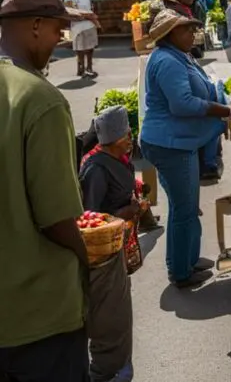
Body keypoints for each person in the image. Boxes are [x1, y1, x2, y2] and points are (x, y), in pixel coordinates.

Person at [0, 0, 90, 381]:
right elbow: (56, 218)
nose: (61, 41)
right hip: (38, 313)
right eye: (58, 30)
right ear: (35, 25)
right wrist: (89, 262)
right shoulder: (41, 100)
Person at [139, 10, 230, 288]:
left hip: (178, 142)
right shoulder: (168, 60)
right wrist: (223, 109)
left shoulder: (179, 55)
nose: (193, 34)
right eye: (186, 30)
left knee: (187, 206)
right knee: (183, 208)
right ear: (169, 35)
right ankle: (180, 271)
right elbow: (183, 104)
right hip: (170, 143)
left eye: (193, 29)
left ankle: (188, 259)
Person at [78, 106, 140, 382]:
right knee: (110, 320)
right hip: (102, 259)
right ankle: (108, 372)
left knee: (120, 314)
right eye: (127, 133)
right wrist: (124, 214)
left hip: (118, 249)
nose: (131, 137)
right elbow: (89, 219)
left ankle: (118, 365)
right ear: (115, 138)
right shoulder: (96, 170)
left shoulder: (120, 159)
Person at [66, 0, 100, 78]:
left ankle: (89, 68)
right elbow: (73, 13)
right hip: (78, 29)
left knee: (90, 49)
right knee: (80, 50)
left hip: (89, 27)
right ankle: (81, 70)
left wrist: (92, 19)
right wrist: (89, 16)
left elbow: (90, 11)